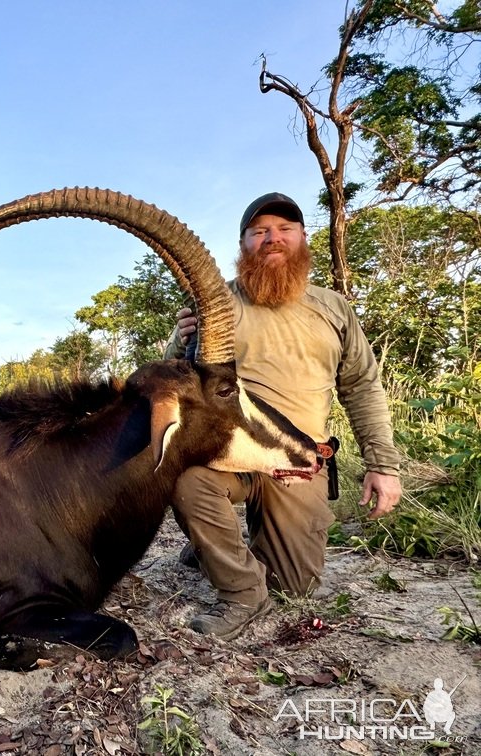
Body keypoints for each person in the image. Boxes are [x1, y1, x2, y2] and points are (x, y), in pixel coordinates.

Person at [164, 192, 402, 639]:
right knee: (185, 478)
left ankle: (213, 548)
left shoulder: (334, 309)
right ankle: (241, 595)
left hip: (298, 462)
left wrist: (382, 465)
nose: (272, 239)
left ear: (302, 238)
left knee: (294, 589)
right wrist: (180, 342)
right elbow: (176, 378)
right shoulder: (215, 303)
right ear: (244, 244)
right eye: (259, 232)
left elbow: (362, 387)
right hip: (231, 458)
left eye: (283, 229)